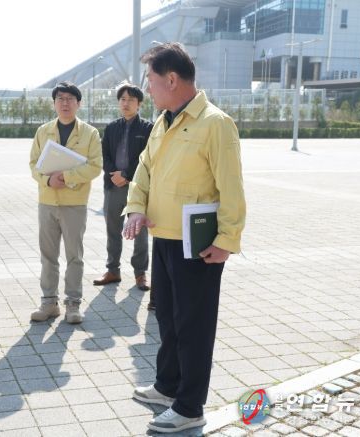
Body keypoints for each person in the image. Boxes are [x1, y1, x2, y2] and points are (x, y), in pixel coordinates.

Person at [124, 43, 246, 433]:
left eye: (151, 80)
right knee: (168, 320)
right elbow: (144, 169)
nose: (148, 88)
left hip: (198, 245)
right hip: (163, 236)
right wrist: (136, 206)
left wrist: (227, 239)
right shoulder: (163, 122)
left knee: (194, 326)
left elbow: (231, 187)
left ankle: (190, 406)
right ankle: (167, 386)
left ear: (172, 79)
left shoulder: (215, 123)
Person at [29, 81, 102, 324]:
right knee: (48, 255)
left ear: (79, 103)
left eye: (70, 99)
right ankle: (49, 303)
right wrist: (48, 181)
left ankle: (73, 304)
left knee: (74, 256)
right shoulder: (43, 131)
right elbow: (33, 164)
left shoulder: (90, 133)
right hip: (47, 202)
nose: (65, 103)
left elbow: (95, 167)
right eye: (60, 98)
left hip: (75, 203)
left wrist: (67, 177)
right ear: (54, 103)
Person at [92, 82, 153, 292]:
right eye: (123, 99)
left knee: (140, 231)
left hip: (137, 187)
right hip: (113, 186)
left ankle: (140, 273)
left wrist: (126, 175)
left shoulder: (147, 128)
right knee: (112, 230)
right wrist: (114, 175)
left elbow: (146, 158)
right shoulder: (111, 128)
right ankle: (112, 270)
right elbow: (105, 155)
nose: (126, 103)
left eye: (131, 100)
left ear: (139, 104)